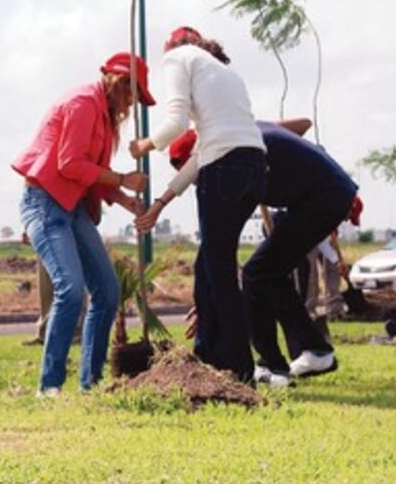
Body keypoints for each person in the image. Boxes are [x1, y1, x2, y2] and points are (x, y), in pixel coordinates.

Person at [138, 119, 360, 384]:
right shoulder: (246, 131)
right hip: (330, 192)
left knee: (258, 272)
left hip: (322, 197)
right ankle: (314, 350)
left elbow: (222, 241)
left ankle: (272, 366)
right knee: (268, 273)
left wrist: (214, 290)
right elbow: (299, 126)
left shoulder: (236, 158)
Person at [130, 26, 266, 384]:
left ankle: (239, 368)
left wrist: (145, 145)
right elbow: (203, 152)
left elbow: (175, 123)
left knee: (218, 272)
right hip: (253, 168)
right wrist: (161, 202)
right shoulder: (225, 72)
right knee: (207, 265)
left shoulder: (177, 58)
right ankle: (208, 353)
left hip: (224, 170)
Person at [13, 51, 149, 396]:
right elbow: (70, 164)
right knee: (70, 289)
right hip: (45, 204)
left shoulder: (103, 115)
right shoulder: (83, 103)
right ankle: (50, 386)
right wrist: (122, 178)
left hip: (74, 208)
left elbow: (89, 176)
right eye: (133, 93)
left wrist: (121, 197)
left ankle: (92, 383)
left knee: (107, 291)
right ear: (119, 82)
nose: (132, 102)